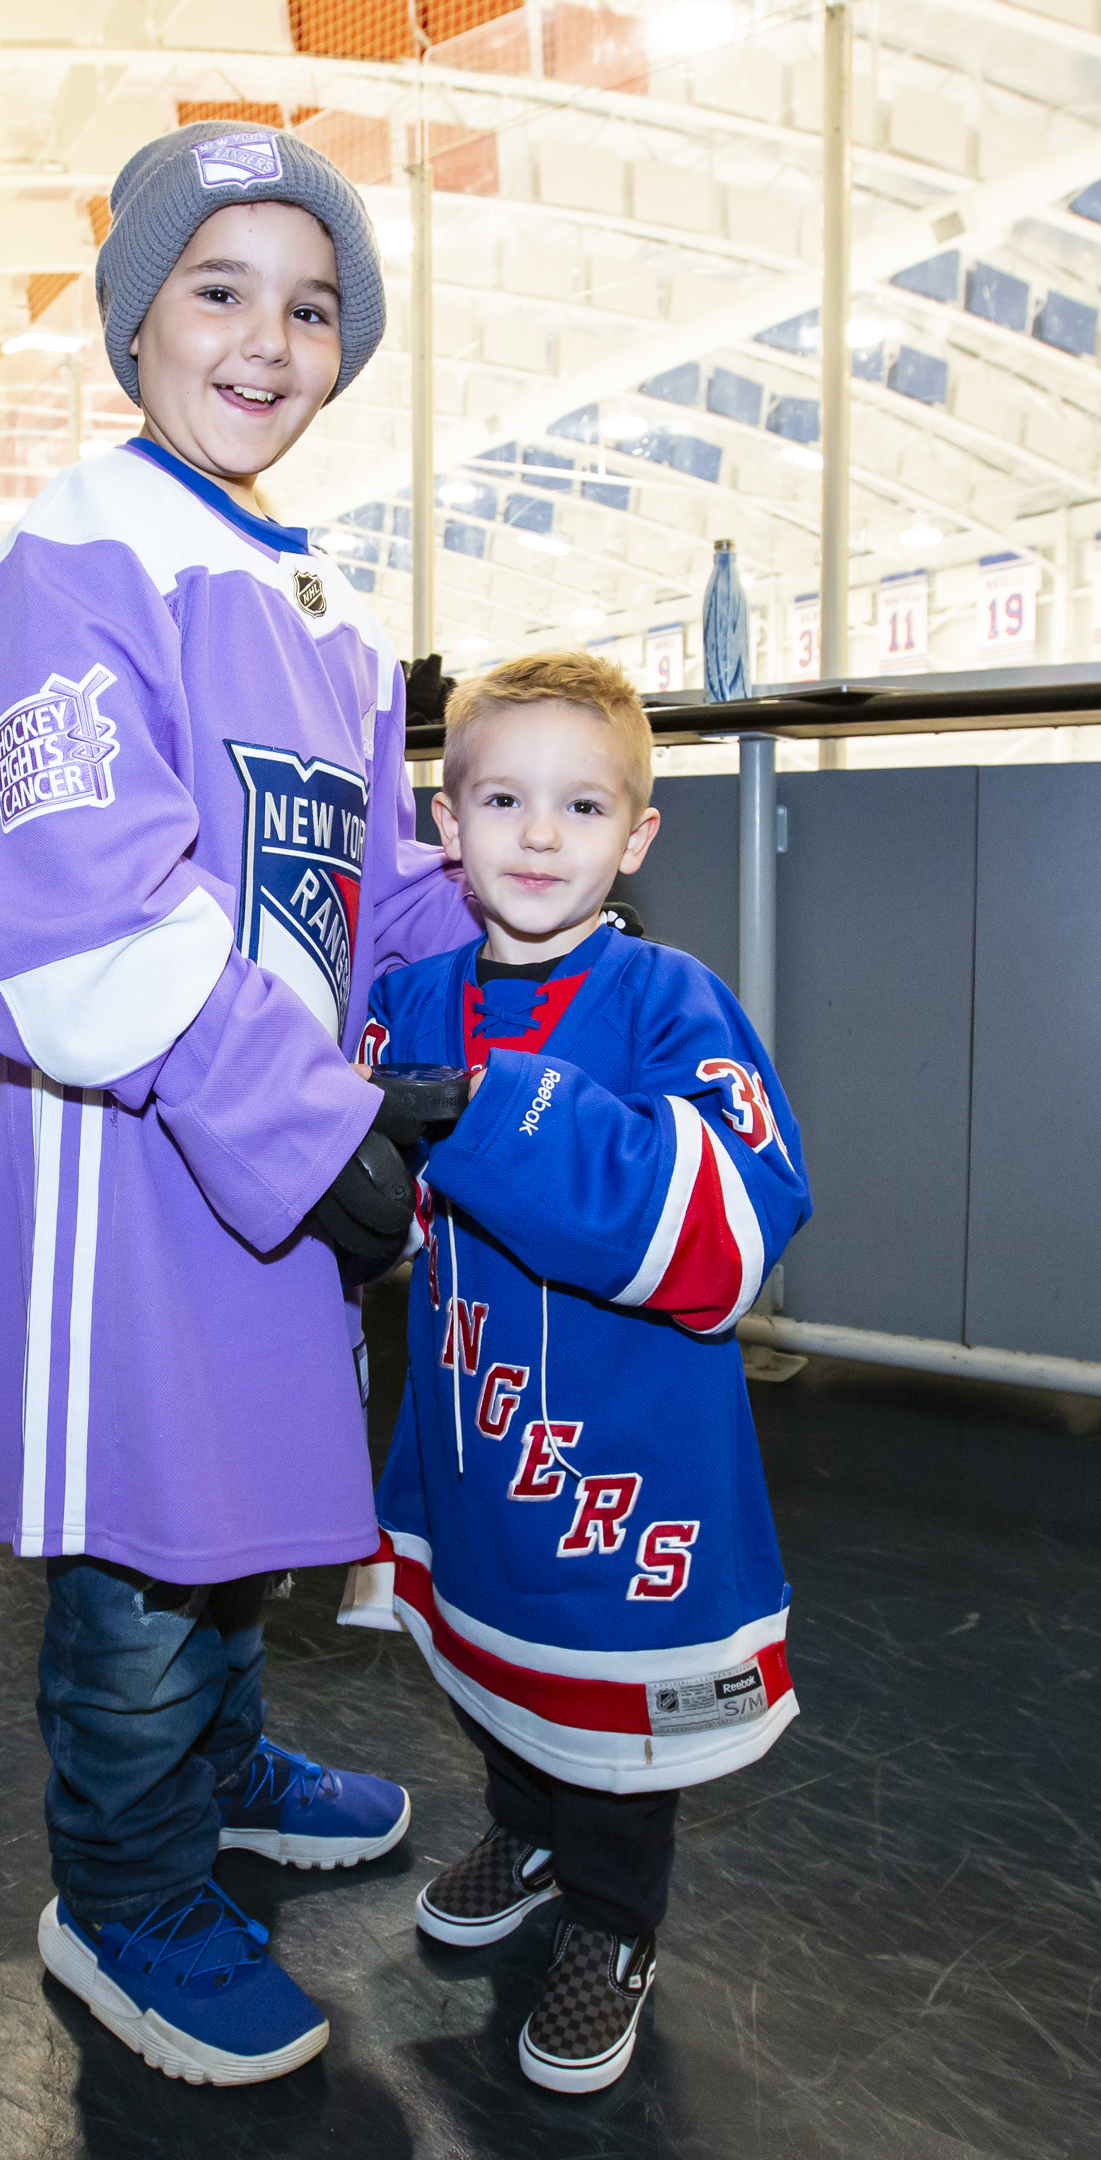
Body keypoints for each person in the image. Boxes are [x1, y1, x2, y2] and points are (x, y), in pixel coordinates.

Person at [0, 122, 477, 2087]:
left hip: (266, 1140)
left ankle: (225, 1774)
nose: (266, 340)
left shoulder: (311, 596)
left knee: (235, 1510)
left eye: (311, 306)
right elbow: (80, 905)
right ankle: (128, 1893)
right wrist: (317, 1124)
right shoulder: (75, 560)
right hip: (134, 1180)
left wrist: (508, 941)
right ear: (133, 319)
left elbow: (366, 875)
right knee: (149, 1551)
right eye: (218, 289)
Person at [351, 650, 813, 2094]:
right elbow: (375, 1209)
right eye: (503, 799)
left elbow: (732, 1231)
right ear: (448, 818)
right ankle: (529, 1829)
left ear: (638, 835)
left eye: (580, 806)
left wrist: (491, 1117)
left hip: (624, 1456)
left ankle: (613, 1918)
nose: (539, 837)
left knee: (613, 1710)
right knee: (499, 1667)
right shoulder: (414, 994)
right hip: (482, 1438)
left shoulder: (673, 1004)